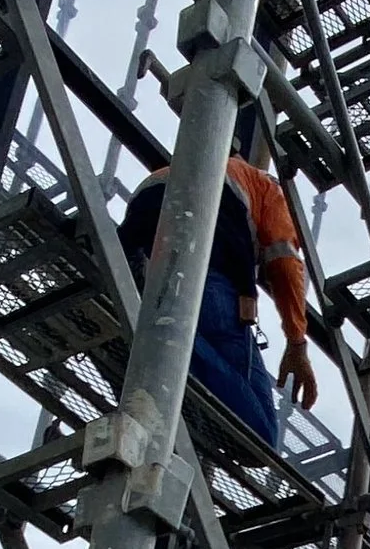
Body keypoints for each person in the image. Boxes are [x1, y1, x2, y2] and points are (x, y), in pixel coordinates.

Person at [119, 158, 279, 446]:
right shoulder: (270, 193)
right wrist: (297, 342)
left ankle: (157, 331)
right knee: (263, 435)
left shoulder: (169, 172)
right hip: (213, 287)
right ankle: (163, 334)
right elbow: (287, 264)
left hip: (150, 268)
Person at [224, 106, 317, 418]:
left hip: (139, 264)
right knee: (260, 425)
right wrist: (297, 343)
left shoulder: (180, 166)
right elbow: (284, 263)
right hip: (207, 277)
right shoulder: (267, 188)